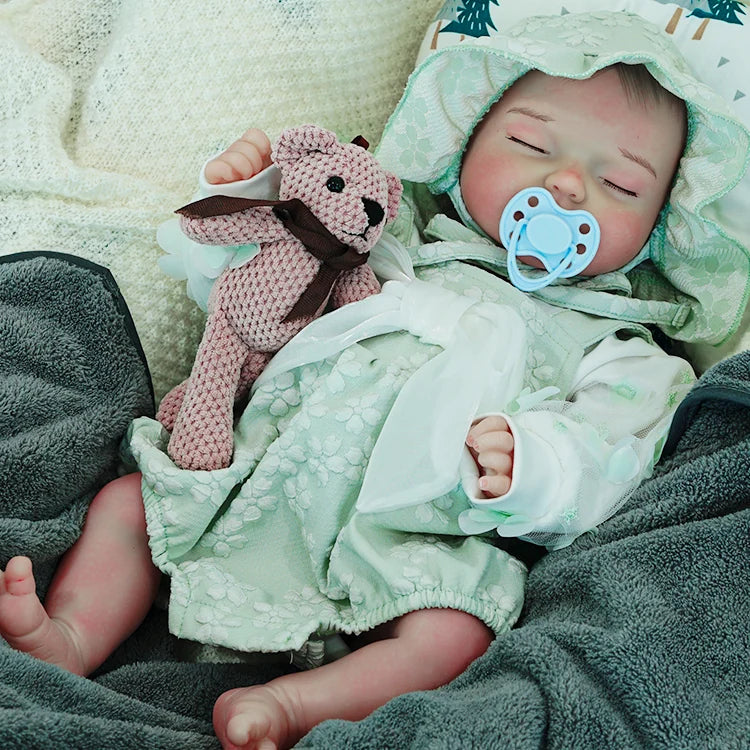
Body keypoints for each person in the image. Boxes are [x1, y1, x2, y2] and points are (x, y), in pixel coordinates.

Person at [1, 10, 747, 750]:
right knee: (129, 505)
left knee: (454, 632)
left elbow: (617, 457)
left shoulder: (620, 347)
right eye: (529, 143)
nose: (565, 186)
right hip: (256, 484)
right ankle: (69, 636)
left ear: (661, 226)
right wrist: (248, 192)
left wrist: (537, 464)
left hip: (406, 549)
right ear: (462, 148)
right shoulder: (387, 248)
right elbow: (261, 296)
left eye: (619, 184)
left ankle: (294, 704)